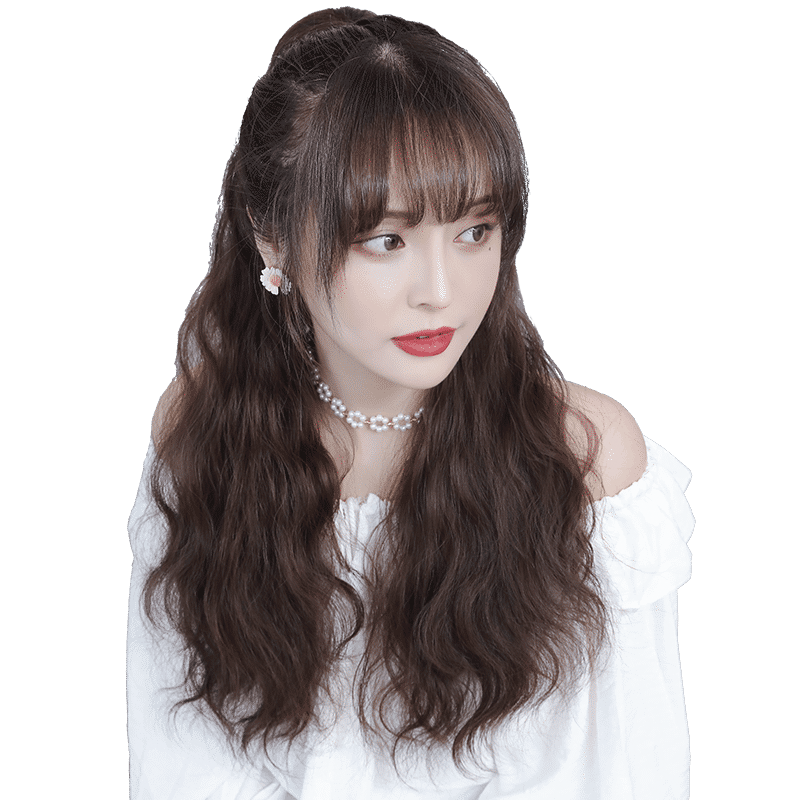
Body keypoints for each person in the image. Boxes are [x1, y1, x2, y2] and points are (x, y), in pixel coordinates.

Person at [127, 8, 695, 799]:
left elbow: (630, 776)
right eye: (386, 240)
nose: (442, 291)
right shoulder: (205, 436)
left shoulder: (586, 461)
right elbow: (181, 762)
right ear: (273, 237)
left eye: (475, 231)